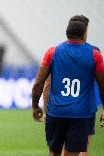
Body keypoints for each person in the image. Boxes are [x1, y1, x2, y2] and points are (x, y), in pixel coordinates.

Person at [32, 15, 104, 156]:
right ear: (84, 33)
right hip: (81, 114)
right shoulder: (94, 54)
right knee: (76, 153)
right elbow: (102, 84)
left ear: (67, 33)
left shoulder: (52, 52)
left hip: (56, 112)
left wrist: (35, 106)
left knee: (54, 152)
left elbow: (39, 84)